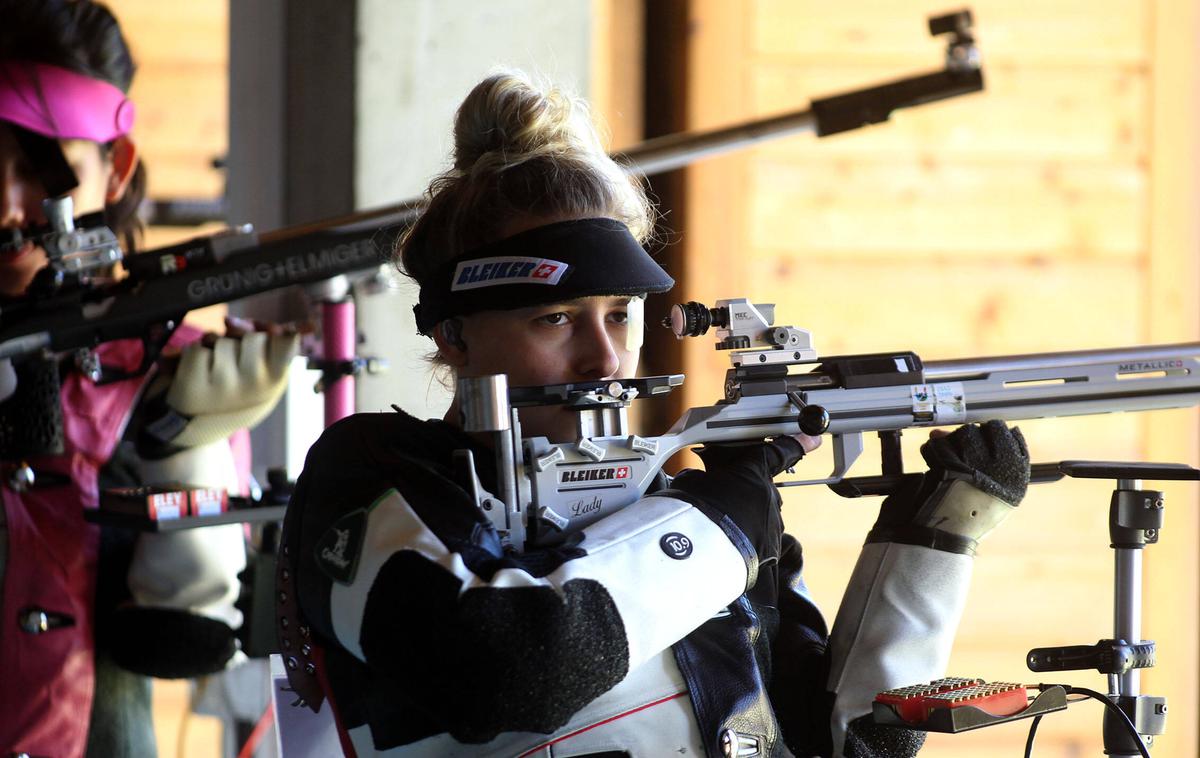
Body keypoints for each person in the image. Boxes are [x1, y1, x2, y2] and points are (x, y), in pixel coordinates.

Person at [279, 69, 1030, 757]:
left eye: (621, 314)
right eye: (556, 319)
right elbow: (506, 673)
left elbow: (850, 743)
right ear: (454, 334)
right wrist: (725, 520)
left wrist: (928, 546)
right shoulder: (375, 471)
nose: (604, 359)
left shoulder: (686, 512)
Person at [0, 2, 296, 755]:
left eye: (45, 170)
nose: (6, 207)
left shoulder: (160, 360)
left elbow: (181, 640)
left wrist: (182, 444)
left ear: (116, 167)